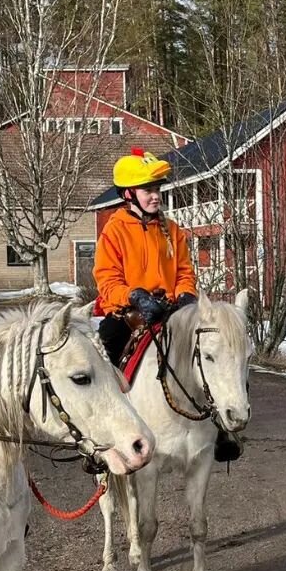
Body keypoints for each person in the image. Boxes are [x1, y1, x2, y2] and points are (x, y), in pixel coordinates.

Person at [93, 148, 241, 462]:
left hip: (172, 308)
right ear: (129, 194)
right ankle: (102, 437)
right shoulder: (114, 231)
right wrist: (134, 296)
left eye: (157, 189)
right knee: (103, 349)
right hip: (128, 311)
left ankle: (222, 431)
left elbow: (185, 271)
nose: (155, 195)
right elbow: (106, 278)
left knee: (212, 352)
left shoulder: (172, 230)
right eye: (148, 189)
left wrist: (186, 295)